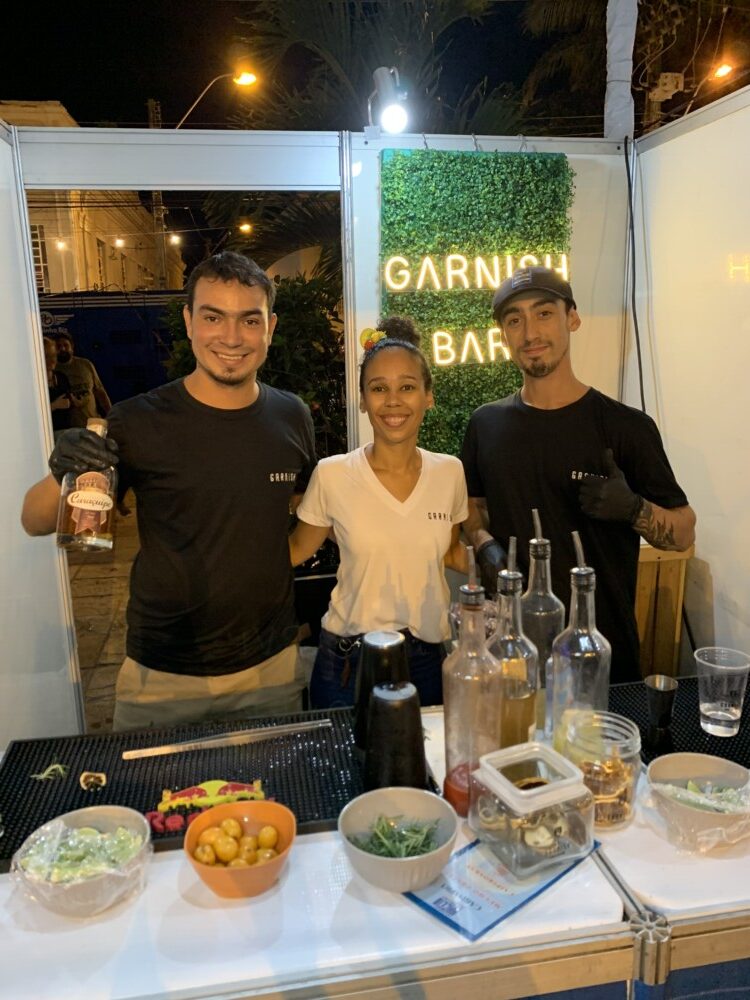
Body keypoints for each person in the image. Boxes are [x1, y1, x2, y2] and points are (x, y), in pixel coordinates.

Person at [22, 252, 317, 731]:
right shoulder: (137, 421)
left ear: (270, 327)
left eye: (249, 320)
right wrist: (63, 471)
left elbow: (306, 505)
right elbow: (33, 521)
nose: (231, 337)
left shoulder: (292, 415)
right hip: (162, 678)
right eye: (213, 317)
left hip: (271, 671)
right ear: (188, 321)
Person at [461, 266, 696, 683]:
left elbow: (683, 533)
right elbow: (473, 508)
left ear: (572, 318)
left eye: (544, 313)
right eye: (514, 320)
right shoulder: (485, 425)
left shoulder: (626, 427)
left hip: (602, 656)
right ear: (503, 335)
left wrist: (634, 509)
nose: (530, 333)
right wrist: (484, 544)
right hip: (514, 657)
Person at [289, 321, 468, 708]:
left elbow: (451, 552)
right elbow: (295, 551)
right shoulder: (333, 474)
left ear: (428, 396)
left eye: (407, 387)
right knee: (341, 750)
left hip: (426, 660)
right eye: (378, 388)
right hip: (348, 661)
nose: (393, 401)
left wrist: (513, 566)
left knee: (426, 750)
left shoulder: (450, 472)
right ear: (362, 400)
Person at [53, 333, 112, 426]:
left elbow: (100, 392)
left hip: (92, 424)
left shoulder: (86, 364)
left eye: (66, 345)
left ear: (72, 347)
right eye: (58, 346)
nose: (62, 349)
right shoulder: (51, 370)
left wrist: (111, 415)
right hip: (67, 429)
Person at [43, 337, 72, 434]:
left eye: (54, 356)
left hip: (65, 434)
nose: (52, 360)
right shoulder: (32, 383)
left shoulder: (62, 377)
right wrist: (54, 406)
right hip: (45, 434)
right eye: (47, 356)